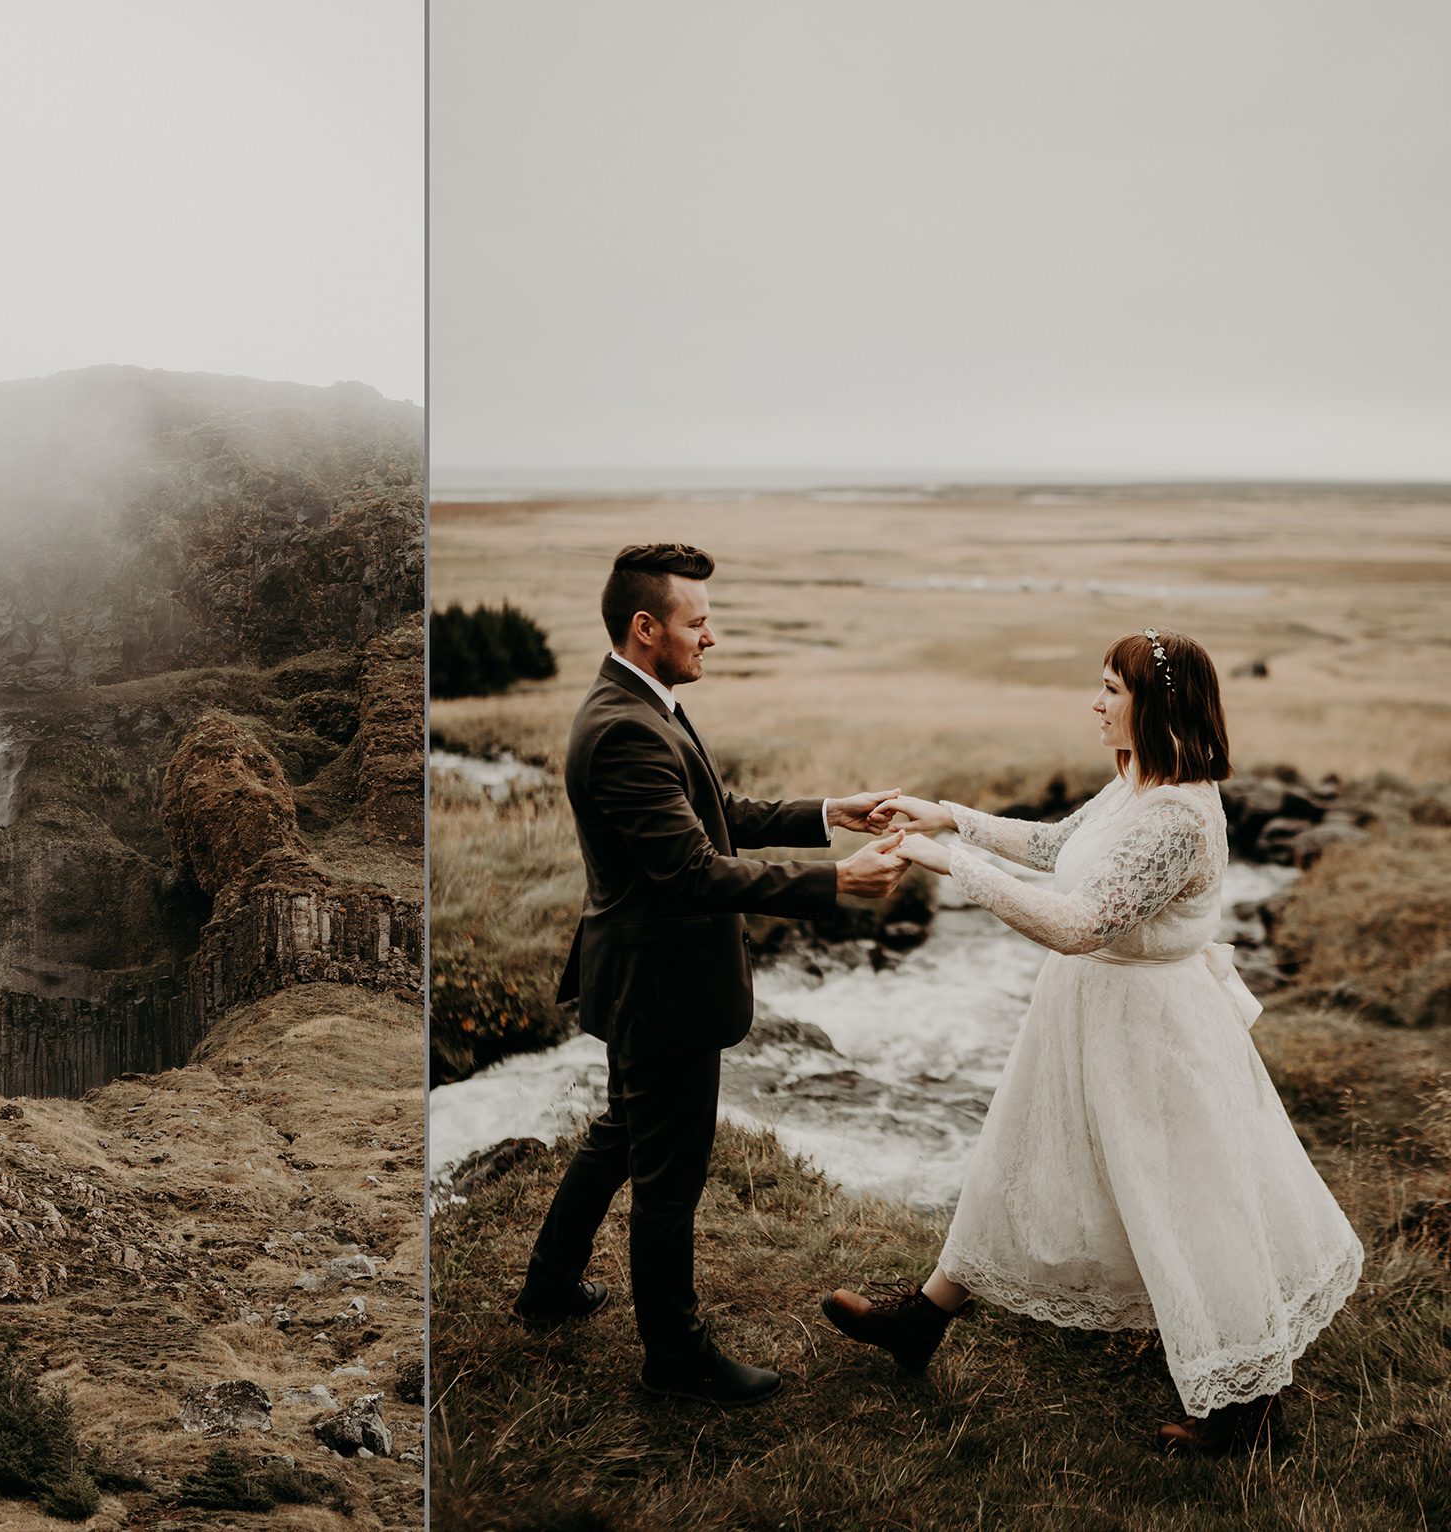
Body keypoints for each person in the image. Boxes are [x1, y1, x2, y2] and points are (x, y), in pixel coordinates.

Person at [821, 629, 1363, 1453]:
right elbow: (1055, 846)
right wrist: (952, 817)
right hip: (1088, 1015)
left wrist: (946, 863)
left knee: (1187, 1201)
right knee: (1015, 1158)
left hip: (1154, 1033)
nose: (1097, 702)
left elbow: (1076, 923)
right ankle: (920, 1321)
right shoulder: (1135, 786)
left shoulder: (1179, 816)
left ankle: (1249, 1406)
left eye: (1113, 688)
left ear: (1156, 706)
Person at [512, 543, 909, 1405]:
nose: (712, 637)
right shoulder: (624, 728)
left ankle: (547, 1286)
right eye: (698, 622)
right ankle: (676, 1358)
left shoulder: (638, 703)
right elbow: (691, 872)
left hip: (641, 977)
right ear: (645, 627)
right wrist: (838, 881)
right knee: (669, 1177)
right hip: (663, 990)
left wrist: (826, 814)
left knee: (621, 1131)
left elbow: (710, 815)